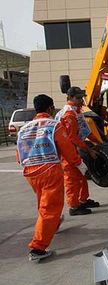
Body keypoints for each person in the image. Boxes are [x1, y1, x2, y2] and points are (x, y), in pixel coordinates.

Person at [17, 94, 86, 262]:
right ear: (50, 108)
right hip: (49, 170)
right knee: (50, 208)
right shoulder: (53, 125)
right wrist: (79, 164)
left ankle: (53, 225)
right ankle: (37, 248)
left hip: (31, 172)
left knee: (44, 203)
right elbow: (67, 148)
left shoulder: (25, 128)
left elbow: (19, 155)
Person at [55, 86, 100, 216]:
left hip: (74, 149)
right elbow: (72, 137)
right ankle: (74, 206)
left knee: (81, 175)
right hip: (67, 152)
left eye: (82, 97)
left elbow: (84, 130)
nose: (81, 100)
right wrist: (89, 150)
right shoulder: (69, 114)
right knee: (72, 179)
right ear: (70, 98)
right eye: (78, 98)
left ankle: (82, 200)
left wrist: (98, 142)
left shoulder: (76, 111)